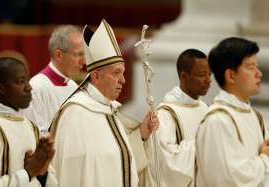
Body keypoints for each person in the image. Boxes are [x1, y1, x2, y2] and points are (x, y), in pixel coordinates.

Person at [49, 19, 159, 187]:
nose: (123, 80)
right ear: (96, 76)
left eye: (123, 73)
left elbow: (120, 163)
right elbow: (70, 174)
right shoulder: (75, 114)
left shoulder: (110, 110)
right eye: (116, 73)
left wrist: (142, 135)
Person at [196, 37, 269, 187]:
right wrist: (264, 159)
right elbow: (229, 179)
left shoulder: (255, 117)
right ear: (230, 75)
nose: (259, 74)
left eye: (257, 66)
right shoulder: (218, 120)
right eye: (251, 67)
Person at [0, 57, 57, 186]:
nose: (29, 87)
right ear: (0, 88)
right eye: (21, 81)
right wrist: (28, 172)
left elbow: (45, 181)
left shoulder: (30, 126)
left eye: (27, 79)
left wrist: (42, 172)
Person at [154, 49, 211, 187]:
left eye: (210, 74)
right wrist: (205, 143)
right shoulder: (166, 114)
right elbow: (166, 162)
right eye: (202, 75)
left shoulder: (207, 109)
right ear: (184, 76)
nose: (208, 80)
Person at [22, 25, 85, 131]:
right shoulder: (36, 88)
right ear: (58, 55)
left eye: (83, 55)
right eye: (77, 55)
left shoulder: (73, 86)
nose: (83, 62)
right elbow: (36, 134)